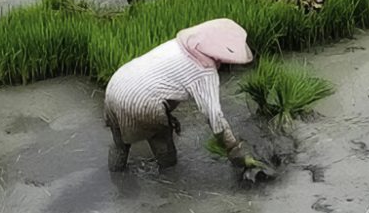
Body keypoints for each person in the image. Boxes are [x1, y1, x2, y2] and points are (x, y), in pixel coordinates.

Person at [102, 18, 271, 177]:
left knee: (120, 145)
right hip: (139, 102)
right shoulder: (204, 70)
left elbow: (159, 85)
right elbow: (214, 117)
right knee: (164, 148)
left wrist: (167, 115)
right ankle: (169, 193)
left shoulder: (177, 46)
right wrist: (234, 149)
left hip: (116, 86)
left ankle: (116, 180)